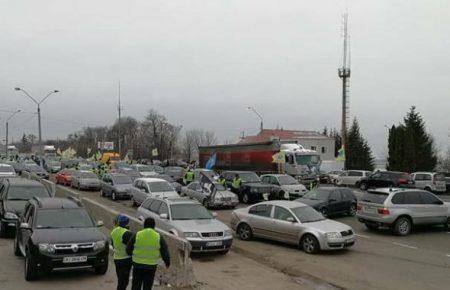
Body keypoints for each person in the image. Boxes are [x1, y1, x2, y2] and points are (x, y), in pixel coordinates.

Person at [127, 217, 170, 290]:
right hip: (151, 267)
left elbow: (128, 249)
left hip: (137, 265)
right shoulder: (158, 237)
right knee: (147, 286)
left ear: (144, 225)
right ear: (154, 226)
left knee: (136, 285)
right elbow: (164, 251)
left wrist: (133, 256)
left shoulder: (137, 235)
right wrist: (167, 262)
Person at [111, 214, 133, 290]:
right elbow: (131, 248)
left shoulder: (114, 231)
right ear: (126, 223)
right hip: (125, 260)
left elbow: (113, 245)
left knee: (120, 279)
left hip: (117, 259)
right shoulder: (127, 233)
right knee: (123, 282)